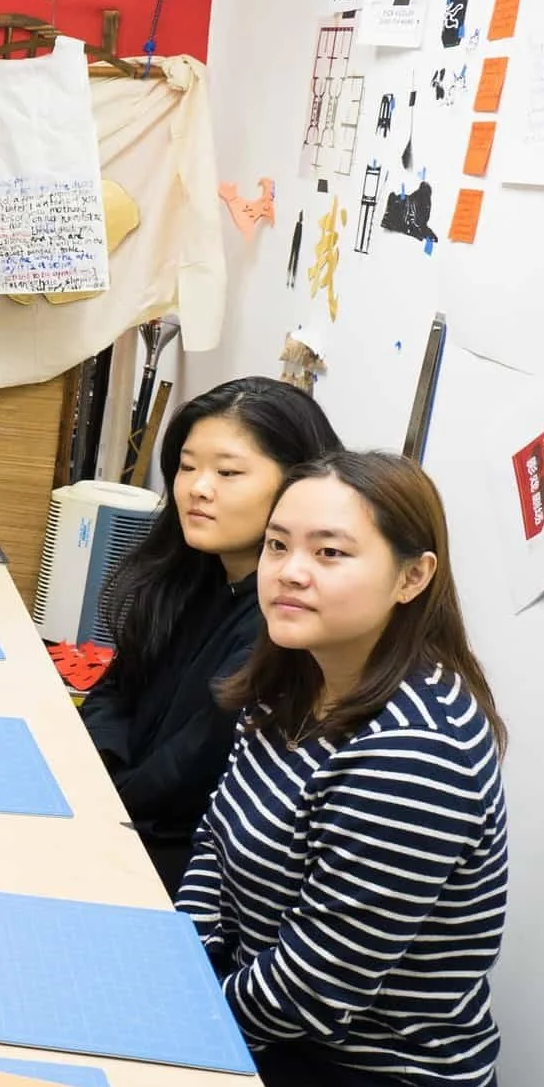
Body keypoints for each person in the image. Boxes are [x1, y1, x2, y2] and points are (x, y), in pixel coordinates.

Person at [180, 452, 509, 1087]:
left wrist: (185, 1022)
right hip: (277, 1028)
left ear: (412, 577)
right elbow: (215, 843)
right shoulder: (298, 676)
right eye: (277, 545)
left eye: (330, 553)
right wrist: (180, 959)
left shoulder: (415, 753)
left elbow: (318, 986)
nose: (290, 572)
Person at [83, 377, 341, 892]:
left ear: (298, 485)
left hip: (179, 863)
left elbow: (189, 770)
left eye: (228, 472)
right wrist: (92, 768)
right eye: (187, 467)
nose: (198, 488)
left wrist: (95, 802)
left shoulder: (288, 622)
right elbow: (116, 690)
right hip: (115, 812)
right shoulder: (190, 574)